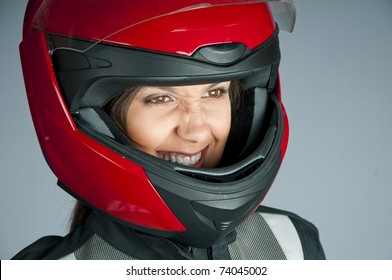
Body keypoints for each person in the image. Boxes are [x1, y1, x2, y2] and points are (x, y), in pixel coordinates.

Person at [13, 0, 325, 260]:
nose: (196, 131)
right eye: (161, 98)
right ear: (102, 118)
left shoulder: (291, 244)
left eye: (215, 93)